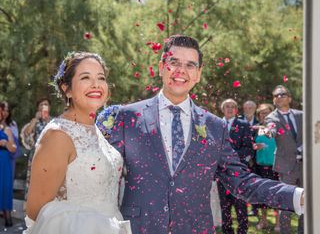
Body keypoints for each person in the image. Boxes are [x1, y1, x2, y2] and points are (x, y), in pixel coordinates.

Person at [97, 35, 304, 234]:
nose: (181, 71)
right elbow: (103, 174)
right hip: (139, 227)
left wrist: (297, 195)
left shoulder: (215, 127)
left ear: (198, 73)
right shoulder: (127, 117)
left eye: (190, 65)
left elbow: (241, 182)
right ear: (161, 67)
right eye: (174, 62)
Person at [24, 52, 131, 234]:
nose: (96, 84)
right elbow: (36, 211)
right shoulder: (58, 135)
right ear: (67, 89)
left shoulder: (96, 131)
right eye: (85, 77)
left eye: (101, 77)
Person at [265, 85, 304, 234]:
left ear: (290, 98)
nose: (279, 97)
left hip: (305, 167)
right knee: (287, 203)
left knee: (308, 202)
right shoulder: (272, 117)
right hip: (286, 168)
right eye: (276, 95)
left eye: (282, 94)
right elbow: (271, 128)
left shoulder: (301, 115)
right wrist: (269, 131)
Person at [217, 98, 254, 234]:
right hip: (221, 173)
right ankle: (227, 231)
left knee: (241, 206)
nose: (229, 108)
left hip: (239, 173)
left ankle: (242, 231)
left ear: (236, 109)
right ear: (222, 109)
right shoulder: (216, 124)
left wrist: (230, 158)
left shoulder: (243, 125)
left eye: (232, 106)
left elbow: (248, 149)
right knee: (225, 206)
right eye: (227, 106)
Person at [252, 103, 280, 231]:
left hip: (276, 166)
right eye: (261, 113)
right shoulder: (257, 128)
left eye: (266, 112)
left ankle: (278, 223)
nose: (264, 114)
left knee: (277, 194)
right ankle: (263, 221)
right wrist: (255, 147)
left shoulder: (276, 126)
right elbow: (252, 144)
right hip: (260, 167)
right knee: (261, 195)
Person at [21, 98, 52, 205]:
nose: (44, 106)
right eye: (42, 105)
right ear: (38, 108)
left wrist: (48, 121)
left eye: (46, 104)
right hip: (36, 156)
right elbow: (26, 135)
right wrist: (35, 119)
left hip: (50, 157)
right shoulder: (34, 121)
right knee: (34, 184)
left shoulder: (53, 121)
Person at [0, 102, 17, 227]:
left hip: (4, 160)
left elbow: (13, 148)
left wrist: (6, 143)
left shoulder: (8, 129)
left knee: (5, 186)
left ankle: (7, 215)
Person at [1, 101, 20, 180]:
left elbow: (15, 142)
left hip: (9, 156)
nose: (5, 113)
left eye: (7, 111)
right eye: (3, 110)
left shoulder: (12, 124)